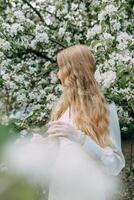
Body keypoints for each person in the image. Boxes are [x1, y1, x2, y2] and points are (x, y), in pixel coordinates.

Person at [45, 44, 125, 200]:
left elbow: (115, 165)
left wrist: (82, 139)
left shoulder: (105, 110)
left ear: (73, 71)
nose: (58, 74)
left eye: (61, 68)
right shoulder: (62, 110)